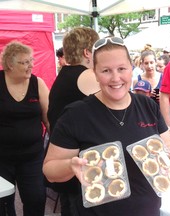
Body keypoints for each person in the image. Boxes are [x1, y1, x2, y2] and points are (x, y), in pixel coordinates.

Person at [43, 36, 170, 216]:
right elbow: (49, 169)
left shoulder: (147, 106)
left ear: (132, 69)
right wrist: (70, 165)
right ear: (95, 73)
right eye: (106, 70)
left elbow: (168, 144)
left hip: (148, 209)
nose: (115, 78)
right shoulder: (76, 115)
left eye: (122, 68)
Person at [47, 27, 100, 216]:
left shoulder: (65, 74)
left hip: (64, 156)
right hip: (77, 159)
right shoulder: (86, 75)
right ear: (87, 52)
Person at [0, 41, 50, 216]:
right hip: (2, 158)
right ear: (9, 65)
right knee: (3, 203)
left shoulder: (38, 84)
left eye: (31, 60)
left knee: (36, 198)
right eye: (25, 62)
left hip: (32, 156)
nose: (31, 65)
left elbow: (48, 119)